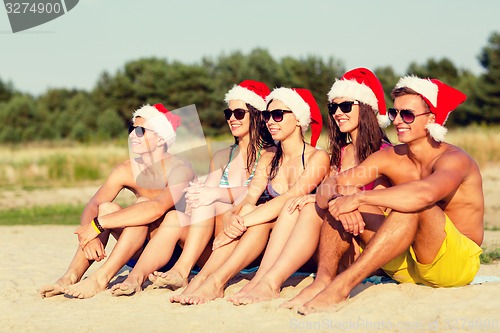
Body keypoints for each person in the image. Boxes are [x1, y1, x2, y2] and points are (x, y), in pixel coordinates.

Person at [296, 75, 484, 314]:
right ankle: (323, 280)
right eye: (395, 114)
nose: (398, 121)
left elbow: (424, 195)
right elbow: (329, 186)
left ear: (432, 118)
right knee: (341, 200)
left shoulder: (454, 159)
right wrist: (340, 199)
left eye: (407, 115)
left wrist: (360, 198)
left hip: (452, 266)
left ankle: (342, 286)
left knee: (413, 206)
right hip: (403, 263)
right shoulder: (390, 157)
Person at [229, 67, 392, 305]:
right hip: (339, 242)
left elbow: (381, 204)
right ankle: (265, 280)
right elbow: (328, 191)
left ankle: (269, 281)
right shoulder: (340, 153)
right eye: (333, 107)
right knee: (297, 204)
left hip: (371, 242)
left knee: (306, 204)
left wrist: (334, 198)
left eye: (345, 106)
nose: (338, 113)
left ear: (366, 109)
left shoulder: (385, 153)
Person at [110, 80, 275, 296]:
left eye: (239, 113)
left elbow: (257, 192)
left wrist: (213, 194)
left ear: (257, 114)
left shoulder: (271, 154)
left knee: (210, 200)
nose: (232, 118)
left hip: (245, 241)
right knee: (174, 217)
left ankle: (182, 268)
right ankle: (135, 278)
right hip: (214, 240)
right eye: (229, 113)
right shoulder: (222, 156)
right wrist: (194, 195)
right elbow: (204, 198)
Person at [171, 87, 330, 305]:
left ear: (299, 120)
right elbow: (249, 197)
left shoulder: (317, 157)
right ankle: (205, 279)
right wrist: (233, 216)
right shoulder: (269, 156)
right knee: (251, 212)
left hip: (302, 243)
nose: (270, 122)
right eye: (266, 116)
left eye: (277, 115)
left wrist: (243, 220)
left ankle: (225, 281)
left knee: (268, 215)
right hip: (271, 235)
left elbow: (291, 196)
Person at [39, 103, 195, 299]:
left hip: (174, 251)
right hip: (138, 248)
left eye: (140, 131)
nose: (131, 136)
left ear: (160, 138)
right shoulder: (126, 169)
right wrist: (89, 236)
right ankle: (71, 276)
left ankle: (100, 278)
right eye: (131, 129)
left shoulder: (180, 168)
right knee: (106, 207)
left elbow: (157, 208)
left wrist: (97, 226)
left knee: (142, 206)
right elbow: (93, 205)